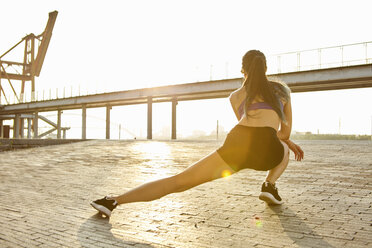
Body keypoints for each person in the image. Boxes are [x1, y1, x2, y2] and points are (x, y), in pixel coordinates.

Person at [91, 50, 304, 217]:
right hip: (269, 150)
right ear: (266, 68)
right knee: (285, 147)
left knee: (179, 182)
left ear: (243, 71)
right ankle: (269, 184)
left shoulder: (236, 96)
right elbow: (283, 132)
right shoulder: (281, 91)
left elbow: (249, 127)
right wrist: (286, 142)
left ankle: (113, 201)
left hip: (238, 144)